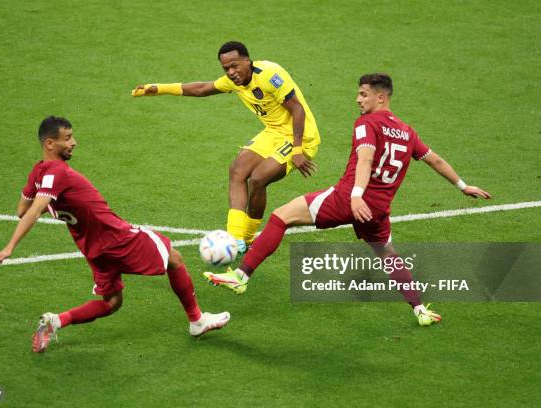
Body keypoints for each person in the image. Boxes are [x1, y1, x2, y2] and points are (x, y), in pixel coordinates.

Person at [203, 73, 492, 326]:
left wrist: (355, 196)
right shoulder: (406, 132)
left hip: (349, 199)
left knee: (281, 216)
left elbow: (365, 159)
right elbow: (436, 160)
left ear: (381, 97)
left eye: (363, 94)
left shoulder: (367, 124)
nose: (357, 100)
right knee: (387, 255)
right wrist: (463, 186)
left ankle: (240, 276)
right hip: (378, 209)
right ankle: (420, 309)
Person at [0, 116, 230, 353]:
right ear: (50, 143)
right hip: (116, 237)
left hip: (92, 247)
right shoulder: (56, 173)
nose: (74, 143)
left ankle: (56, 321)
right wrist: (10, 246)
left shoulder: (40, 172)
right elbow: (35, 210)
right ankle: (197, 321)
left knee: (113, 303)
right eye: (68, 138)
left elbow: (22, 210)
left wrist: (44, 195)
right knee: (174, 258)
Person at [132, 41, 321, 253]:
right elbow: (203, 88)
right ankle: (235, 237)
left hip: (301, 136)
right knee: (237, 170)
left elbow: (297, 110)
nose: (231, 72)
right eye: (226, 69)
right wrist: (159, 89)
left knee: (258, 179)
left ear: (247, 61)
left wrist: (297, 150)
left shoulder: (269, 74)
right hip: (274, 133)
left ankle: (247, 238)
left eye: (234, 66)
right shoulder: (235, 81)